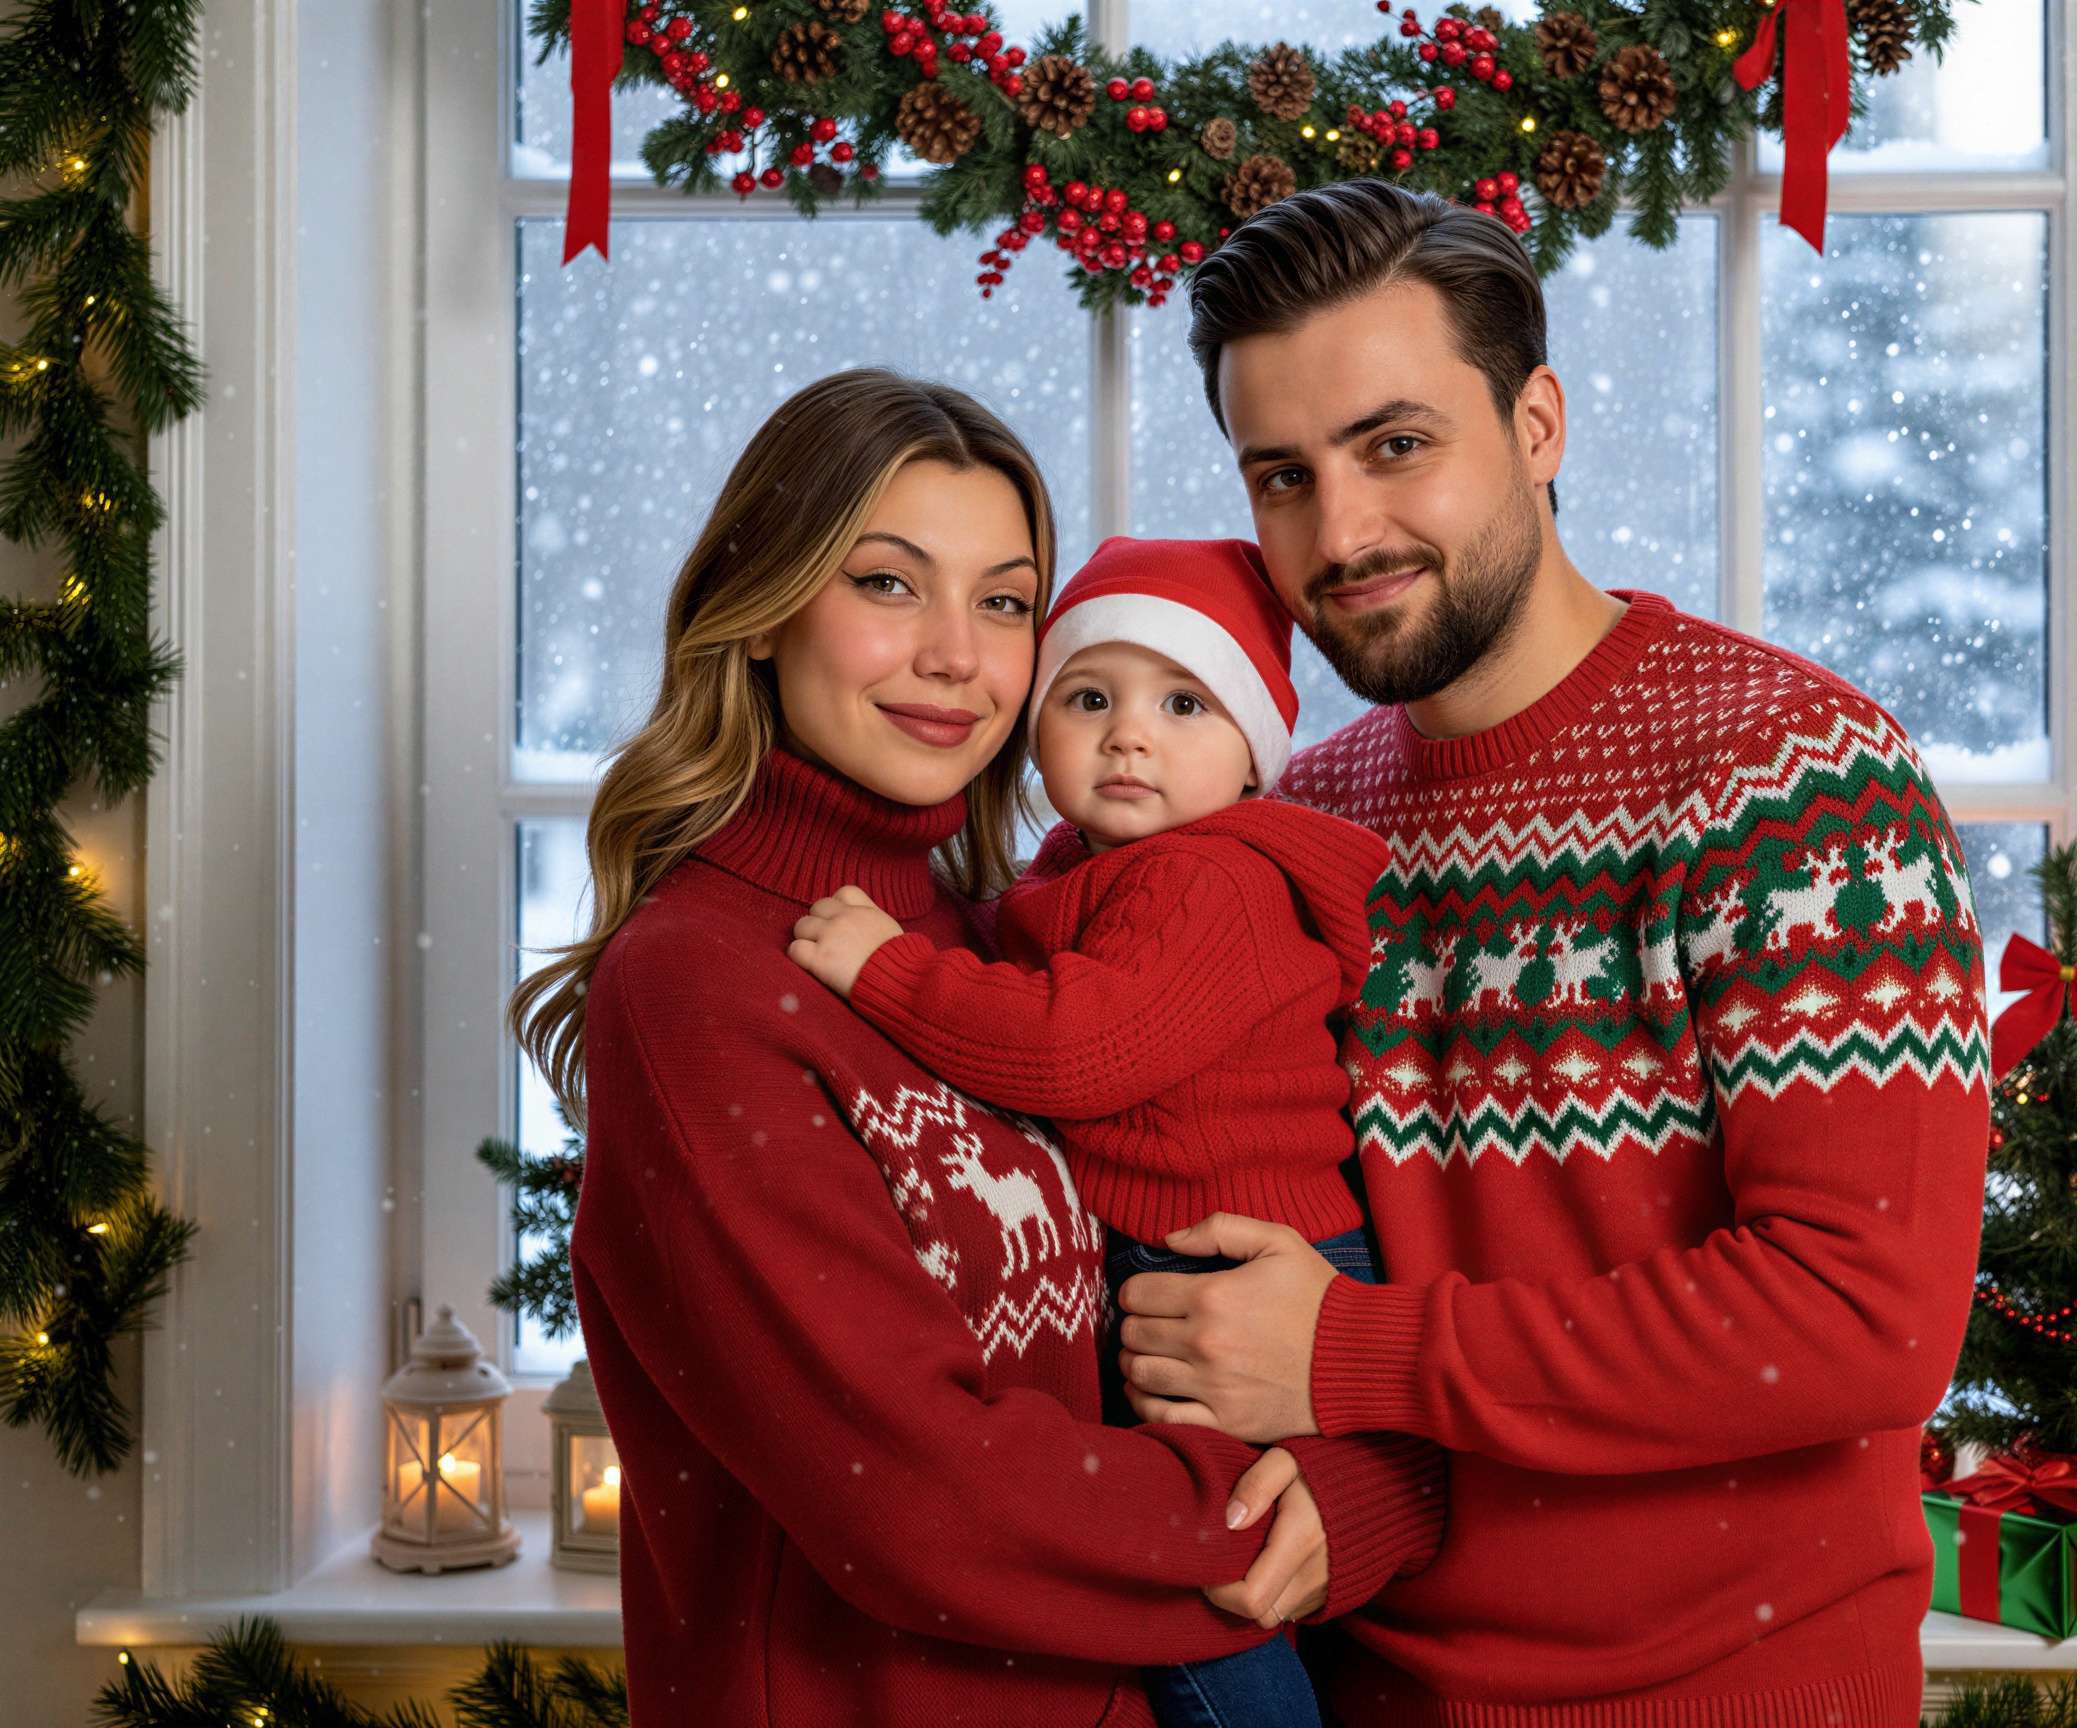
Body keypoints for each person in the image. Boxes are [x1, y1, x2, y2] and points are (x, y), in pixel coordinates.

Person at [1114, 181, 1991, 1726]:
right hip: (1362, 1684)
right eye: (1282, 477)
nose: (1343, 531)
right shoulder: (1305, 823)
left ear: (1537, 425)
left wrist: (1357, 1356)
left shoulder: (1790, 778)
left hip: (1739, 1696)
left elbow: (1861, 1323)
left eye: (1397, 446)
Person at [511, 370, 1443, 1728]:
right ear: (764, 611)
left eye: (1004, 602)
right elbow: (919, 1499)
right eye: (888, 584)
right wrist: (1308, 1519)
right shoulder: (702, 986)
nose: (959, 655)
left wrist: (1371, 1471)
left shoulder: (982, 939)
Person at [788, 535, 1397, 1728]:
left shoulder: (1206, 878)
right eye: (1088, 697)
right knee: (1212, 1561)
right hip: (1189, 1256)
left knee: (1201, 1576)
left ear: (1253, 755)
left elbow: (1079, 1050)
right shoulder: (1080, 868)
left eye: (1183, 702)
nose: (1129, 733)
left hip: (1235, 1269)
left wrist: (889, 973)